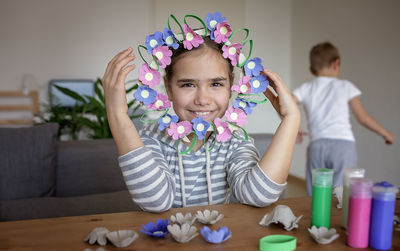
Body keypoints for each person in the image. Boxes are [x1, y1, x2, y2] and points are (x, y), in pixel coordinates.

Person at [102, 15, 300, 212]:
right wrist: (117, 114)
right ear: (168, 89)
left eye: (216, 84)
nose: (203, 99)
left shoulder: (235, 141)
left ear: (231, 86)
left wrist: (291, 119)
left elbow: (259, 194)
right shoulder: (150, 139)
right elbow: (155, 201)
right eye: (188, 84)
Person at [292, 42, 394, 195]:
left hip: (317, 146)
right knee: (342, 192)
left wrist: (294, 128)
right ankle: (339, 219)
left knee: (316, 192)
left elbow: (286, 105)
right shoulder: (346, 86)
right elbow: (363, 118)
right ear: (336, 63)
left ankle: (315, 218)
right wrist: (385, 132)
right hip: (343, 146)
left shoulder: (306, 88)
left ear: (311, 70)